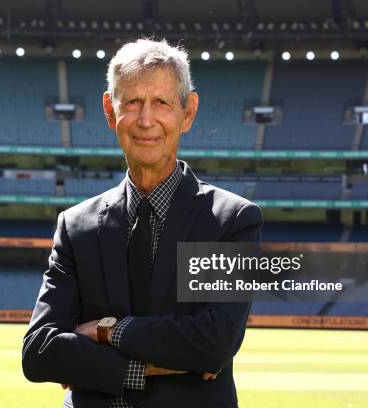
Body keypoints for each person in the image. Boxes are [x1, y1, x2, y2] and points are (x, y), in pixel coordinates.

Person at [22, 38, 263, 408]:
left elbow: (214, 342)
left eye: (162, 103)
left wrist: (106, 332)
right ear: (109, 109)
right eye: (132, 102)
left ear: (188, 111)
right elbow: (39, 352)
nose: (146, 120)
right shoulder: (76, 226)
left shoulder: (229, 221)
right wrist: (143, 369)